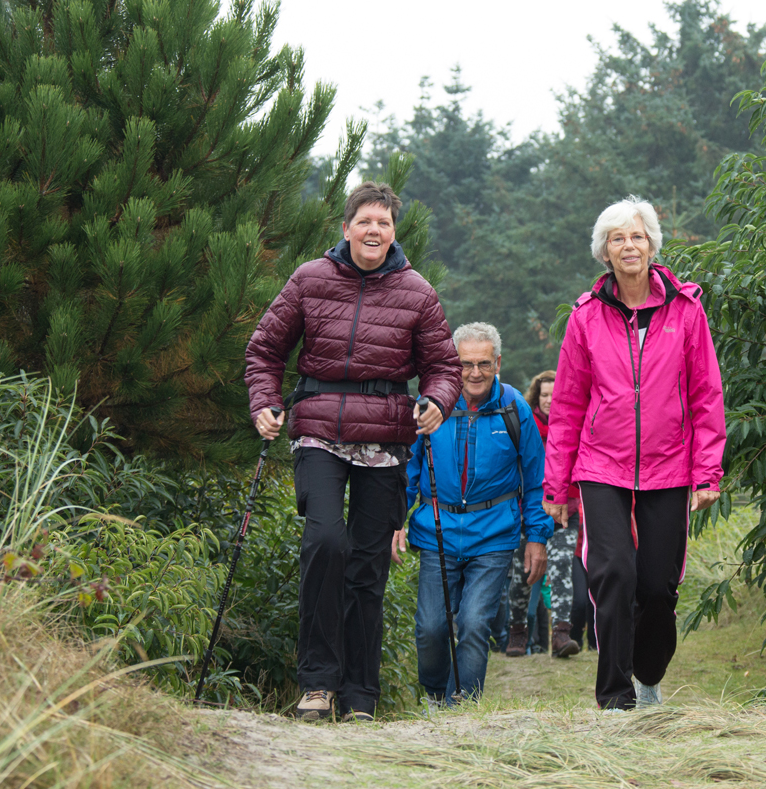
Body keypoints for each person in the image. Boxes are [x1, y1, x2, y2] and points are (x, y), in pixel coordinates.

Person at [244, 181, 461, 723]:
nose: (373, 231)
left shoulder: (417, 291)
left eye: (383, 223)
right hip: (318, 430)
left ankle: (360, 696)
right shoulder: (309, 279)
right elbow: (265, 348)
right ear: (345, 229)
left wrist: (437, 399)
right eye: (365, 221)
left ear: (393, 233)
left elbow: (444, 366)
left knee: (368, 565)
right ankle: (316, 686)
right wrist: (265, 402)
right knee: (324, 541)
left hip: (385, 444)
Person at [543, 196, 726, 711]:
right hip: (601, 464)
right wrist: (557, 487)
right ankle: (615, 697)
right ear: (605, 250)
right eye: (618, 237)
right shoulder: (585, 318)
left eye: (638, 236)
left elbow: (706, 394)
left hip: (670, 464)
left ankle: (647, 675)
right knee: (614, 574)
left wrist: (707, 472)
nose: (629, 245)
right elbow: (568, 405)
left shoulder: (686, 311)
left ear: (652, 247)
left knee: (658, 588)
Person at [394, 322, 552, 702]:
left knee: (474, 622)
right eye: (466, 364)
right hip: (438, 531)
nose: (475, 373)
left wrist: (537, 538)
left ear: (498, 363)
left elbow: (535, 480)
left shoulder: (515, 409)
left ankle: (463, 705)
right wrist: (394, 520)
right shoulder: (429, 406)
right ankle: (435, 695)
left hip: (494, 535)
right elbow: (407, 470)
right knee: (431, 627)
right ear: (452, 363)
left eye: (483, 363)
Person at [506, 370, 582, 658]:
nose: (550, 400)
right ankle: (517, 633)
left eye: (555, 394)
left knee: (562, 568)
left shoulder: (573, 425)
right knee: (522, 573)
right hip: (528, 513)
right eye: (545, 395)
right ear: (536, 398)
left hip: (565, 510)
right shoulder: (524, 425)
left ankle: (561, 635)